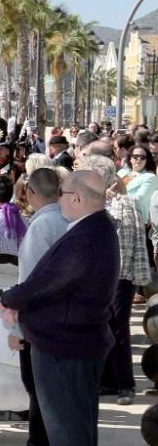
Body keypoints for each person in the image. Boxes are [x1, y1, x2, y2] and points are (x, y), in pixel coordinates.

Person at [0, 170, 118, 446]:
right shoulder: (95, 228)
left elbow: (46, 281)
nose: (59, 198)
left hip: (66, 346)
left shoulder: (86, 235)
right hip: (73, 341)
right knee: (77, 429)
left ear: (78, 199)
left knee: (68, 431)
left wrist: (9, 300)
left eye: (64, 193)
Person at [0, 167, 68, 446]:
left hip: (40, 321)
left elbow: (29, 280)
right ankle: (50, 445)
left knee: (38, 388)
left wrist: (15, 327)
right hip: (64, 319)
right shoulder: (69, 219)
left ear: (30, 193)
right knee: (49, 389)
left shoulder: (41, 227)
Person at [81, 155, 149, 406]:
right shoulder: (93, 203)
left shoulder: (122, 203)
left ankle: (125, 384)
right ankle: (107, 381)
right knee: (101, 328)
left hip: (118, 276)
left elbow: (128, 244)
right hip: (100, 275)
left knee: (118, 327)